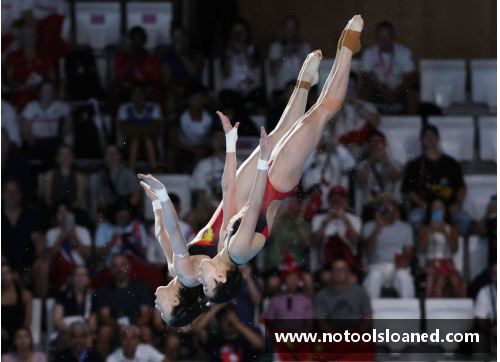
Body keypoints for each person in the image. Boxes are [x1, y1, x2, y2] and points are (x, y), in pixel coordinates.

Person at [152, 14, 362, 320]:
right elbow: (251, 210)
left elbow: (229, 196)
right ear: (218, 280)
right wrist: (263, 160)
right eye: (164, 311)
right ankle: (347, 49)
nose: (157, 307)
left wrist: (231, 144)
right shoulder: (232, 254)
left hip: (266, 184)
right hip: (275, 185)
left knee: (297, 124)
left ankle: (306, 81)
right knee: (321, 113)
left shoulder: (226, 251)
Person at [402, 124, 472, 236]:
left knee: (464, 219)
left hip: (448, 207)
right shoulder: (414, 165)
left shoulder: (451, 163)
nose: (429, 138)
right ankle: (421, 251)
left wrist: (457, 204)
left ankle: (455, 250)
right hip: (424, 207)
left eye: (432, 135)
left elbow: (461, 187)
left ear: (438, 138)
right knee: (414, 218)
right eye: (426, 136)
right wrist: (424, 205)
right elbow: (409, 191)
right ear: (421, 140)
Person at [95, 255, 152, 358]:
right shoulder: (103, 289)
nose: (119, 269)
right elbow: (104, 317)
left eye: (122, 265)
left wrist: (133, 327)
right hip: (115, 328)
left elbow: (146, 314)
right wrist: (120, 327)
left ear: (129, 267)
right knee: (104, 332)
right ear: (111, 269)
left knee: (146, 331)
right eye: (115, 266)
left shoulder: (141, 286)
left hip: (136, 326)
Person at [362, 193, 415, 298]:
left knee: (404, 277)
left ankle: (409, 311)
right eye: (382, 204)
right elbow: (367, 251)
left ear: (395, 208)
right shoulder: (369, 226)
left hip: (397, 266)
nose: (385, 207)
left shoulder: (405, 227)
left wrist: (405, 260)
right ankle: (370, 313)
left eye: (389, 204)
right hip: (376, 266)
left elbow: (409, 252)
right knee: (374, 277)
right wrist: (378, 227)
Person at [2, 179, 47, 298]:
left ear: (20, 194)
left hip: (27, 267)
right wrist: (9, 271)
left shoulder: (30, 215)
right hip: (3, 267)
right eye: (8, 191)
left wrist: (39, 258)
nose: (12, 195)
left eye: (15, 191)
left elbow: (37, 238)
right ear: (2, 194)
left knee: (42, 269)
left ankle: (41, 312)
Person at [360, 21, 418, 114]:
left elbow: (411, 78)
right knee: (364, 92)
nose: (385, 40)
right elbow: (365, 78)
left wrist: (396, 91)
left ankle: (411, 123)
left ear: (393, 36)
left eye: (387, 36)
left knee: (412, 94)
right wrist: (383, 90)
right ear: (377, 38)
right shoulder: (369, 53)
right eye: (381, 37)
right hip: (377, 89)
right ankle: (365, 123)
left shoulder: (404, 52)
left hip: (399, 89)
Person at [264, 193, 312, 295]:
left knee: (308, 281)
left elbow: (307, 245)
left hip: (297, 264)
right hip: (276, 264)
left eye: (296, 202)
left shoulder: (303, 222)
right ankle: (278, 308)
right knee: (273, 283)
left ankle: (306, 309)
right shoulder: (274, 220)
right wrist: (276, 215)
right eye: (290, 201)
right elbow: (265, 239)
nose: (292, 205)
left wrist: (299, 224)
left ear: (300, 206)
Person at [418, 198, 466, 298]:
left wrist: (445, 233)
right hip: (431, 263)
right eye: (434, 207)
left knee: (455, 280)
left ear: (445, 210)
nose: (437, 210)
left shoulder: (452, 229)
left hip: (447, 263)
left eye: (440, 207)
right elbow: (421, 249)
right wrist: (429, 230)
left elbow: (454, 249)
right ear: (430, 210)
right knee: (438, 279)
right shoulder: (424, 229)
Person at [311, 186, 362, 275]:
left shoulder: (355, 219)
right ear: (328, 200)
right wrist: (328, 220)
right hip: (326, 264)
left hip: (348, 262)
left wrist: (345, 220)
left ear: (346, 201)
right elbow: (315, 241)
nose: (337, 200)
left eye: (341, 197)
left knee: (351, 279)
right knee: (326, 277)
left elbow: (356, 241)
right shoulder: (318, 218)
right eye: (334, 198)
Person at [219, 18, 266, 113]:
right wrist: (230, 54)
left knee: (261, 96)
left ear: (246, 33)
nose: (238, 35)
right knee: (226, 97)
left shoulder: (254, 49)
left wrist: (243, 49)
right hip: (233, 91)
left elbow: (253, 65)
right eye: (235, 32)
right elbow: (225, 73)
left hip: (251, 89)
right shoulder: (226, 52)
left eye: (241, 32)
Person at [166, 84, 216, 173]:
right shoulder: (179, 113)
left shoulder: (212, 113)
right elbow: (172, 139)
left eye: (200, 98)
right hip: (184, 147)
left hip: (205, 148)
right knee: (171, 152)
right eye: (195, 98)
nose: (198, 101)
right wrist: (193, 150)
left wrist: (206, 148)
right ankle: (172, 179)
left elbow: (218, 136)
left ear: (205, 99)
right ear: (188, 99)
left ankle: (200, 180)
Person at [302, 132, 356, 213]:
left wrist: (338, 145)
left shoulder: (335, 157)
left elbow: (351, 165)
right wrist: (314, 147)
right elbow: (300, 169)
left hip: (334, 205)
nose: (320, 140)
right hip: (313, 206)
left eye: (322, 137)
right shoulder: (308, 159)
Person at [329, 72, 380, 158]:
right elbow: (330, 122)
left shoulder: (367, 105)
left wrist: (357, 104)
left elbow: (376, 122)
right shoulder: (333, 105)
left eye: (350, 85)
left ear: (356, 87)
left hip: (362, 148)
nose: (348, 89)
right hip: (339, 147)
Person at [5, 24, 56, 110]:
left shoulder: (45, 56)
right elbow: (9, 79)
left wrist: (41, 88)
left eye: (32, 35)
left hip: (42, 94)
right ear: (22, 38)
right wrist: (22, 86)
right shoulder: (13, 56)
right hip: (20, 93)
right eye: (26, 35)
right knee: (23, 96)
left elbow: (53, 78)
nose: (29, 38)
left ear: (36, 37)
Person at [20, 81, 72, 164]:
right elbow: (25, 134)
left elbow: (69, 113)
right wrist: (43, 139)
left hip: (54, 142)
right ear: (39, 92)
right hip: (36, 142)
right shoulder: (31, 107)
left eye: (50, 90)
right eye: (45, 90)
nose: (48, 93)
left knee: (58, 146)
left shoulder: (60, 106)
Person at [314, 259, 371, 333]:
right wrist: (333, 335)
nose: (339, 273)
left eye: (342, 270)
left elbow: (368, 316)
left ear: (349, 272)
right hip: (332, 334)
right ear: (331, 273)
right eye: (335, 270)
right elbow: (320, 320)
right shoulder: (321, 295)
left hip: (357, 332)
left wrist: (359, 333)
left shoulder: (360, 292)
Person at [189, 128, 232, 228]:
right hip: (210, 208)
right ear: (211, 142)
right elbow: (200, 193)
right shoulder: (203, 165)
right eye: (216, 138)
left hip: (235, 207)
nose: (220, 141)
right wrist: (214, 209)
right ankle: (198, 244)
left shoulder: (240, 163)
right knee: (191, 217)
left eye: (223, 137)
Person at [46, 201, 92, 291]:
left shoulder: (83, 231)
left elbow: (88, 256)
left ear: (72, 214)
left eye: (66, 211)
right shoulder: (51, 233)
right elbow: (50, 258)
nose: (63, 215)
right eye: (60, 212)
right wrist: (60, 238)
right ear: (56, 216)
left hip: (79, 267)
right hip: (60, 269)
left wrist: (76, 237)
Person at [193, 304, 263, 362]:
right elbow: (198, 328)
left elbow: (259, 344)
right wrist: (219, 305)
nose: (229, 322)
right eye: (225, 319)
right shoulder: (214, 340)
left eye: (231, 319)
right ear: (218, 322)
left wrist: (235, 322)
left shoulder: (245, 340)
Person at [117, 84, 162, 171]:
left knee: (147, 138)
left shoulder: (154, 107)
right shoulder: (124, 108)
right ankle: (131, 170)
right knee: (136, 139)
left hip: (150, 146)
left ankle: (154, 169)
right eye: (135, 94)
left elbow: (156, 130)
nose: (138, 97)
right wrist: (145, 128)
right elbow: (125, 131)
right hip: (129, 146)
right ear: (131, 96)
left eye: (140, 94)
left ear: (145, 95)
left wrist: (134, 128)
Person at [357, 130, 400, 221]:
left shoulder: (394, 163)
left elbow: (396, 177)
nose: (376, 146)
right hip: (371, 204)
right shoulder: (363, 164)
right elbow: (360, 182)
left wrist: (384, 161)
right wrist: (370, 162)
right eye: (372, 143)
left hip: (389, 204)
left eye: (378, 142)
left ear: (384, 144)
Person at [94, 200, 148, 269]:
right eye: (120, 217)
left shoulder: (137, 226)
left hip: (133, 267)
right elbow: (98, 253)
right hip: (110, 267)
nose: (123, 220)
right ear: (114, 215)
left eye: (125, 217)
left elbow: (144, 252)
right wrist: (112, 242)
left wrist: (132, 243)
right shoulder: (104, 227)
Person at [161, 25, 204, 112]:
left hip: (193, 88)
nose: (178, 40)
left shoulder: (196, 53)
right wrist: (177, 89)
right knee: (170, 98)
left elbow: (194, 71)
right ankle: (172, 124)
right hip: (176, 89)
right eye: (175, 37)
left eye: (180, 37)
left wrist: (181, 54)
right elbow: (166, 80)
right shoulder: (167, 56)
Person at [147, 194, 195, 269]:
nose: (168, 211)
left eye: (172, 207)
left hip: (181, 270)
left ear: (179, 209)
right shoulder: (153, 229)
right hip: (159, 269)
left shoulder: (188, 229)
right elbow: (150, 256)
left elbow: (192, 254)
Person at [52, 266, 97, 347]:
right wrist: (73, 332)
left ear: (88, 280)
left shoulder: (93, 297)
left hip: (84, 332)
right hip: (66, 330)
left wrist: (81, 334)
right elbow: (57, 319)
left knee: (88, 339)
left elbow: (92, 325)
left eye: (83, 275)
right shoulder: (62, 295)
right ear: (72, 278)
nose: (80, 278)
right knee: (68, 339)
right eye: (77, 275)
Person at [114, 26, 160, 102]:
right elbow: (119, 76)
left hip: (145, 89)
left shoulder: (152, 58)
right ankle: (113, 114)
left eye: (139, 39)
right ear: (131, 40)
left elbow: (156, 80)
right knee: (115, 87)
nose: (137, 42)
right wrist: (130, 62)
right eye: (134, 39)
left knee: (156, 91)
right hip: (127, 88)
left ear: (144, 40)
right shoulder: (122, 56)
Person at [269, 14, 312, 91]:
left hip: (301, 89)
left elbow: (309, 75)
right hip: (282, 89)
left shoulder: (305, 47)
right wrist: (284, 54)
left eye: (293, 28)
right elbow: (273, 72)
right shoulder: (276, 47)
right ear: (283, 29)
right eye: (288, 28)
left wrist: (301, 53)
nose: (291, 31)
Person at [95, 145, 142, 211]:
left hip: (126, 209)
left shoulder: (129, 174)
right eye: (108, 155)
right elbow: (101, 199)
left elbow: (136, 198)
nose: (111, 157)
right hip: (110, 210)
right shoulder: (102, 175)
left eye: (113, 154)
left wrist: (123, 207)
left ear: (119, 156)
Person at [1, 264, 32, 353]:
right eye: (1, 274)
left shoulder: (25, 295)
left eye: (7, 273)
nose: (4, 277)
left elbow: (27, 321)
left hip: (18, 331)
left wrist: (19, 335)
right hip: (2, 332)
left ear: (13, 274)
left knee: (22, 339)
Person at [44, 145, 85, 209]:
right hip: (54, 208)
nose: (66, 157)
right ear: (57, 158)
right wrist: (58, 210)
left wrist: (68, 210)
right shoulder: (50, 174)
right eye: (63, 154)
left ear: (73, 157)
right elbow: (47, 197)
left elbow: (79, 199)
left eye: (68, 154)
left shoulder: (79, 176)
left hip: (72, 209)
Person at [1, 128, 33, 197]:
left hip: (18, 202)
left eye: (4, 141)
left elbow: (27, 188)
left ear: (9, 142)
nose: (1, 145)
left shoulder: (20, 162)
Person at [474, 263, 496, 348]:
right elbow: (480, 320)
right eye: (495, 274)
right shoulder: (485, 291)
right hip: (492, 329)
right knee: (478, 338)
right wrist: (491, 330)